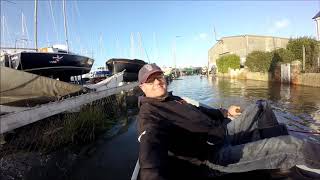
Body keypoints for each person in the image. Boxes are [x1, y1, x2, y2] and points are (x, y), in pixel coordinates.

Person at [137, 63, 320, 180]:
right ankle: (282, 156)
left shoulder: (173, 99)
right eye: (150, 81)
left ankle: (281, 168)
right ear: (142, 87)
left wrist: (225, 112)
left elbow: (204, 112)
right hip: (214, 158)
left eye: (159, 77)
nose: (157, 83)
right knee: (294, 146)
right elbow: (149, 147)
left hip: (223, 133)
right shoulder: (149, 114)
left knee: (261, 105)